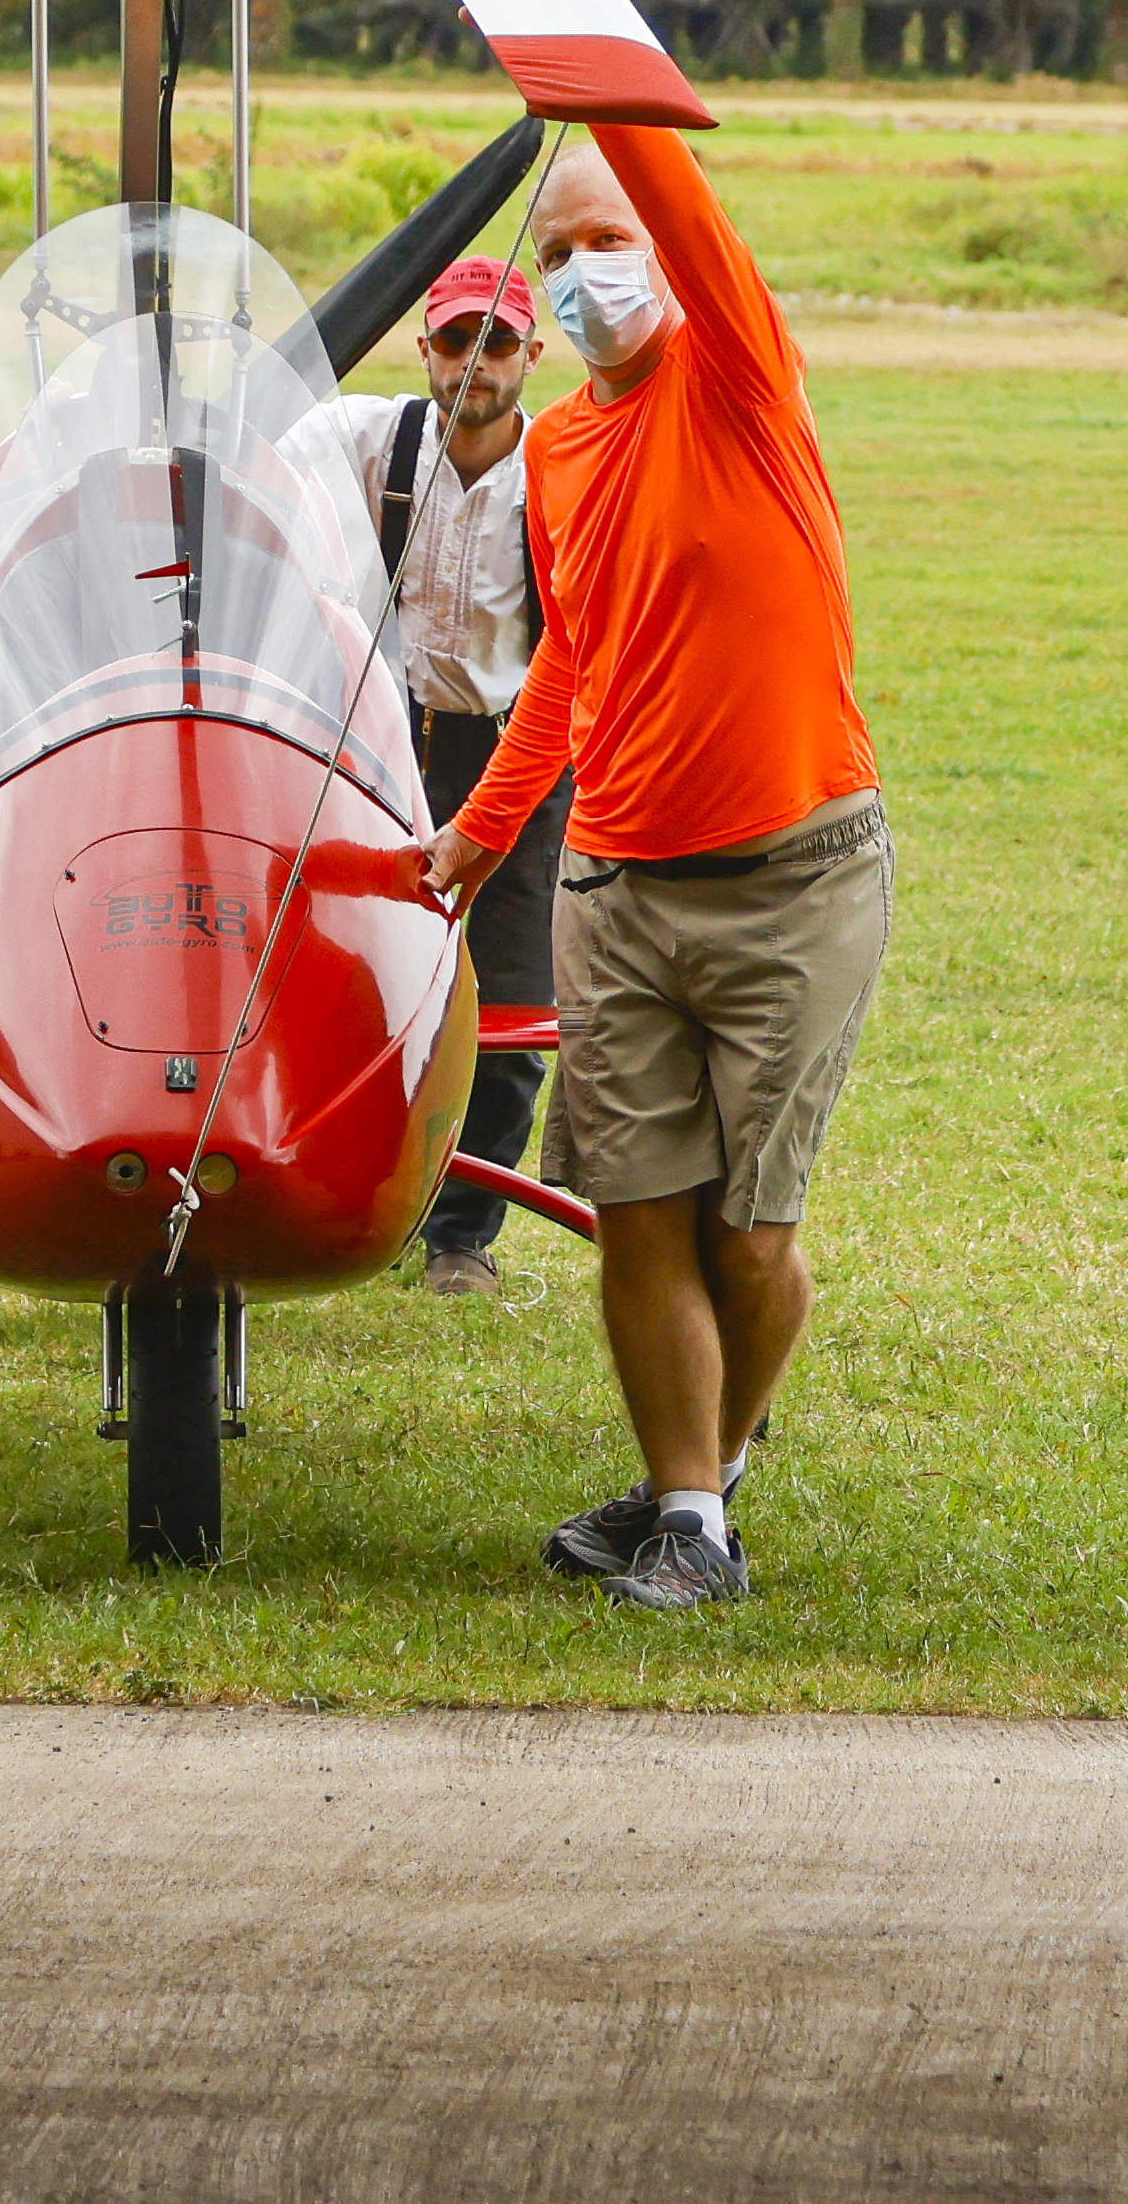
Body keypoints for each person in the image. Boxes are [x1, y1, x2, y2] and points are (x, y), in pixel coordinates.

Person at [420, 121, 883, 1616]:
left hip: (793, 874)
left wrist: (589, 82)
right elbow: (574, 661)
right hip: (613, 885)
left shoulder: (736, 372)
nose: (581, 277)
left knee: (751, 1228)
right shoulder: (556, 448)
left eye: (605, 243)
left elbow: (678, 198)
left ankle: (709, 1479)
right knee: (636, 1205)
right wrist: (482, 835)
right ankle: (688, 1513)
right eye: (555, 255)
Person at [279, 258, 557, 1290]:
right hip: (377, 734)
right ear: (423, 349)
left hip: (517, 745)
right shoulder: (364, 438)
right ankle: (320, 1197)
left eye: (495, 343)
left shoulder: (563, 468)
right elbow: (251, 458)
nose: (472, 366)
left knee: (513, 1002)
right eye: (453, 341)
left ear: (534, 354)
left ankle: (460, 1236)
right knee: (333, 971)